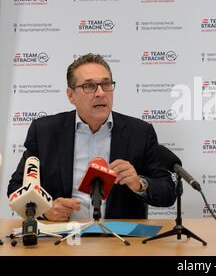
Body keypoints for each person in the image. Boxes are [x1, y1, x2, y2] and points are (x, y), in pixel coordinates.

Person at [8, 54, 176, 221]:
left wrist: (139, 183)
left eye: (106, 84)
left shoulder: (139, 132)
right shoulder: (45, 132)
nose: (101, 93)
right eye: (89, 86)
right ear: (71, 95)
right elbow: (16, 188)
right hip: (63, 238)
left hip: (119, 240)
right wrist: (45, 209)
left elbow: (168, 192)